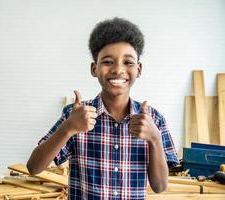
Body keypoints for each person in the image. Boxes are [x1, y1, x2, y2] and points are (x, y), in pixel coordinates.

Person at [27, 17, 179, 200]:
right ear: (94, 69)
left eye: (128, 62)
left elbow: (160, 186)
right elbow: (33, 167)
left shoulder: (153, 120)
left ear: (138, 69)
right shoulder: (74, 115)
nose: (118, 69)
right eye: (108, 61)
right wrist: (68, 128)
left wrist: (154, 139)